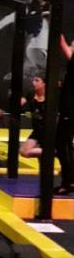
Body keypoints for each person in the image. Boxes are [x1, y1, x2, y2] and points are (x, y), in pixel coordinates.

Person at [55, 34, 74, 194]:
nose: (71, 46)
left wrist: (50, 23)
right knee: (64, 143)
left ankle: (69, 181)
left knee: (63, 143)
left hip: (70, 109)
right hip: (68, 108)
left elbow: (61, 42)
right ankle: (69, 179)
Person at [19, 74, 46, 158]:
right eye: (33, 80)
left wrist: (37, 116)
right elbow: (19, 107)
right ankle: (51, 152)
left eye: (37, 80)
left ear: (44, 84)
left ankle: (54, 152)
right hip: (37, 131)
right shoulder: (30, 94)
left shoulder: (51, 97)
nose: (33, 82)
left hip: (49, 132)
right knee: (23, 152)